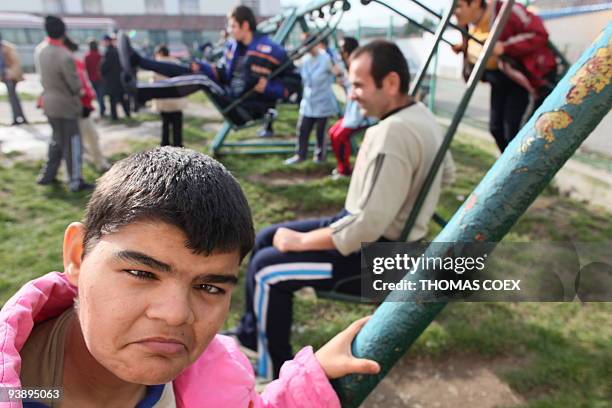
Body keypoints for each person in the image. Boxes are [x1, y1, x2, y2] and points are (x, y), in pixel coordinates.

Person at [0, 146, 380, 407]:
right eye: (141, 272)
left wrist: (304, 388)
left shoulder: (213, 381)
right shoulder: (26, 388)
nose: (175, 314)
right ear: (77, 254)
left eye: (209, 286)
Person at [229, 40, 456, 380]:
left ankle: (271, 370)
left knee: (267, 270)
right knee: (267, 237)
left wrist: (302, 243)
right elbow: (448, 175)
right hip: (371, 232)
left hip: (377, 256)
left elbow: (367, 225)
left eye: (359, 85)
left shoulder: (393, 133)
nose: (351, 94)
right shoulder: (421, 114)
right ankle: (251, 336)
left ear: (390, 83)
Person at [123, 5, 300, 126]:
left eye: (232, 26)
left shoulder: (271, 50)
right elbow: (223, 74)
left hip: (247, 110)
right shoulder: (233, 46)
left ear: (245, 25)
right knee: (193, 69)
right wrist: (203, 67)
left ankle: (141, 92)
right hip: (231, 96)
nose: (229, 30)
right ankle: (139, 61)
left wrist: (269, 87)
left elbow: (295, 81)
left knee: (201, 80)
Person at [452, 0, 556, 152]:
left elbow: (539, 34)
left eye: (458, 6)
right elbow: (482, 43)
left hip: (522, 81)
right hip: (499, 80)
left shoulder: (506, 11)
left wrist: (505, 47)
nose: (454, 12)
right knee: (496, 129)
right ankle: (509, 167)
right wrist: (464, 47)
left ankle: (522, 169)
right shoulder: (468, 24)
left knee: (514, 131)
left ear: (474, 3)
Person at [34, 15, 92, 192]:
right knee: (73, 143)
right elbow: (75, 86)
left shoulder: (40, 50)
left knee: (56, 140)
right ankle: (75, 180)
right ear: (64, 32)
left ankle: (47, 175)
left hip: (49, 103)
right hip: (66, 105)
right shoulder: (65, 55)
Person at [284, 35, 340, 165]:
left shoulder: (326, 58)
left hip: (322, 102)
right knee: (303, 130)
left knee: (321, 132)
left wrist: (337, 69)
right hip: (308, 102)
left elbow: (336, 72)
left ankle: (320, 158)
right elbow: (294, 65)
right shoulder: (306, 60)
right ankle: (300, 155)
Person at [328, 36, 376, 179]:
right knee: (332, 132)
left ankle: (345, 170)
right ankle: (343, 166)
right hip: (352, 113)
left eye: (342, 49)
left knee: (340, 136)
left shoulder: (359, 66)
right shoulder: (349, 66)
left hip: (362, 116)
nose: (340, 52)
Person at [64, 36, 110, 172]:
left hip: (84, 105)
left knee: (90, 136)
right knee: (84, 139)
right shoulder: (70, 64)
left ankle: (96, 162)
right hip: (79, 106)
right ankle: (81, 170)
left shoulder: (78, 62)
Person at [151, 44, 188, 147]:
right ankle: (178, 145)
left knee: (165, 125)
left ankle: (165, 145)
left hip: (164, 100)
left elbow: (153, 83)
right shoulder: (177, 63)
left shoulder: (156, 65)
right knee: (177, 126)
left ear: (160, 53)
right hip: (177, 100)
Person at [101, 33, 130, 120]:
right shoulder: (116, 50)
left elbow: (105, 66)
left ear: (107, 41)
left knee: (113, 99)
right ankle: (127, 113)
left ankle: (114, 116)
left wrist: (101, 69)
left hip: (111, 79)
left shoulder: (108, 52)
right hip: (118, 78)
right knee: (121, 97)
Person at [0, 33, 28, 125]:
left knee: (13, 98)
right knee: (12, 98)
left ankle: (19, 118)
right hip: (5, 76)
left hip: (11, 76)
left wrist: (10, 73)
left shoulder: (7, 48)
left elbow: (16, 63)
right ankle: (18, 117)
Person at [84, 39, 106, 118]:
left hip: (92, 78)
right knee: (101, 95)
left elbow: (86, 68)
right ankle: (102, 110)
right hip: (100, 78)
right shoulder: (100, 55)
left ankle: (101, 109)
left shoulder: (87, 56)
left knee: (97, 95)